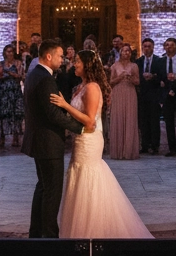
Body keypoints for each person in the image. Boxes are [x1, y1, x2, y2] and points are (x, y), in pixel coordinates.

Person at [50, 49, 152, 239]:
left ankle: (91, 230)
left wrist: (65, 106)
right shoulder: (81, 86)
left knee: (88, 179)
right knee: (79, 176)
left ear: (87, 65)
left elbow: (90, 121)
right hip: (80, 140)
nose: (74, 64)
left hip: (89, 140)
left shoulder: (92, 88)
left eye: (78, 61)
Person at [22, 38, 86, 239]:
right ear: (48, 56)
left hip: (38, 140)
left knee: (42, 187)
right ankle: (49, 236)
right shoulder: (46, 78)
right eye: (59, 56)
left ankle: (36, 233)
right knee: (52, 191)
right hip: (48, 142)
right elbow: (53, 114)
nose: (63, 59)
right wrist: (78, 127)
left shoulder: (34, 75)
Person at [107, 43, 140, 159]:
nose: (126, 53)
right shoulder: (115, 66)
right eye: (124, 51)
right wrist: (120, 77)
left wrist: (130, 78)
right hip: (118, 92)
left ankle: (129, 151)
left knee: (130, 118)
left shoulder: (134, 66)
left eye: (128, 51)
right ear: (120, 52)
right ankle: (118, 151)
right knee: (118, 118)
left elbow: (138, 81)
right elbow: (110, 82)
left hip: (130, 92)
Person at [0, 44, 25, 148]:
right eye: (8, 51)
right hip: (4, 91)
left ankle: (16, 138)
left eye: (11, 51)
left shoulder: (18, 63)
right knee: (3, 114)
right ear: (4, 53)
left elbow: (21, 76)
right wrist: (5, 75)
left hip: (15, 90)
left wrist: (10, 74)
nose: (10, 53)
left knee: (16, 114)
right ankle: (2, 137)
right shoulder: (0, 64)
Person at [136, 38, 162, 154]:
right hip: (142, 94)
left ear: (153, 47)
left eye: (149, 46)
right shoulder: (138, 62)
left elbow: (162, 77)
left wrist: (153, 77)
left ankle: (155, 145)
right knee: (143, 121)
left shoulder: (159, 61)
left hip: (154, 94)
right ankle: (145, 145)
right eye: (145, 46)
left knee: (154, 121)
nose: (146, 48)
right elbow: (136, 77)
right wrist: (143, 78)